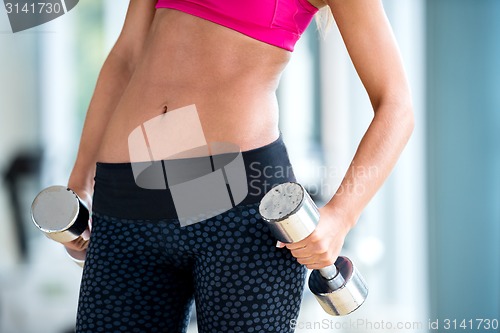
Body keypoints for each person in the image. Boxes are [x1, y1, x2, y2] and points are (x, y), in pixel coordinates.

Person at [63, 0, 414, 332]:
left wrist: (341, 216)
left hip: (238, 209)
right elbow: (126, 58)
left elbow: (397, 107)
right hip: (128, 199)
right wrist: (80, 182)